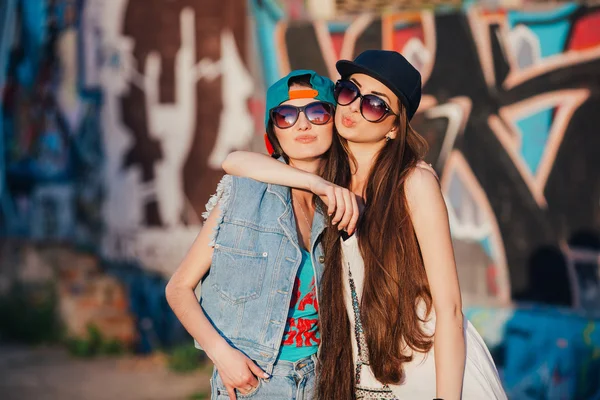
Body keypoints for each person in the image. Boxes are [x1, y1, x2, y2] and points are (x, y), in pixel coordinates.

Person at [223, 50, 507, 400]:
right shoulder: (329, 179)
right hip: (365, 379)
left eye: (375, 104)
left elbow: (448, 309)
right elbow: (233, 161)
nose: (355, 107)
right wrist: (319, 185)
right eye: (348, 92)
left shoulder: (413, 182)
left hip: (429, 372)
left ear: (394, 126)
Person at [166, 69, 357, 400]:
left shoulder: (343, 203)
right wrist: (223, 357)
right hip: (255, 384)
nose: (302, 125)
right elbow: (178, 288)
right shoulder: (244, 195)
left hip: (324, 382)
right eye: (286, 115)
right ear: (273, 130)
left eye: (317, 112)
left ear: (334, 121)